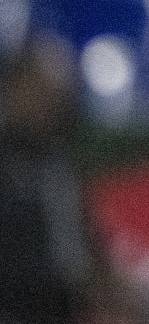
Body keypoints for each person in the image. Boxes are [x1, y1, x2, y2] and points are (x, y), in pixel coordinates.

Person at [0, 34, 129, 324]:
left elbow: (78, 243)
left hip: (59, 308)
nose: (56, 98)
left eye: (60, 88)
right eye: (42, 88)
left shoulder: (57, 160)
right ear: (15, 88)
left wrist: (111, 287)